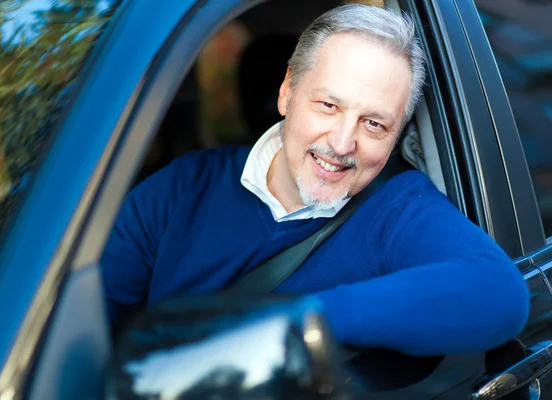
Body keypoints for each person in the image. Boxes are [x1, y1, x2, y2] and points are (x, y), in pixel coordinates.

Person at [101, 4, 530, 356]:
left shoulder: (399, 209)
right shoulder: (181, 188)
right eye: (328, 105)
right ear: (287, 91)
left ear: (397, 133)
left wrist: (302, 321)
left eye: (374, 124)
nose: (343, 143)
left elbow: (499, 293)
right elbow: (72, 325)